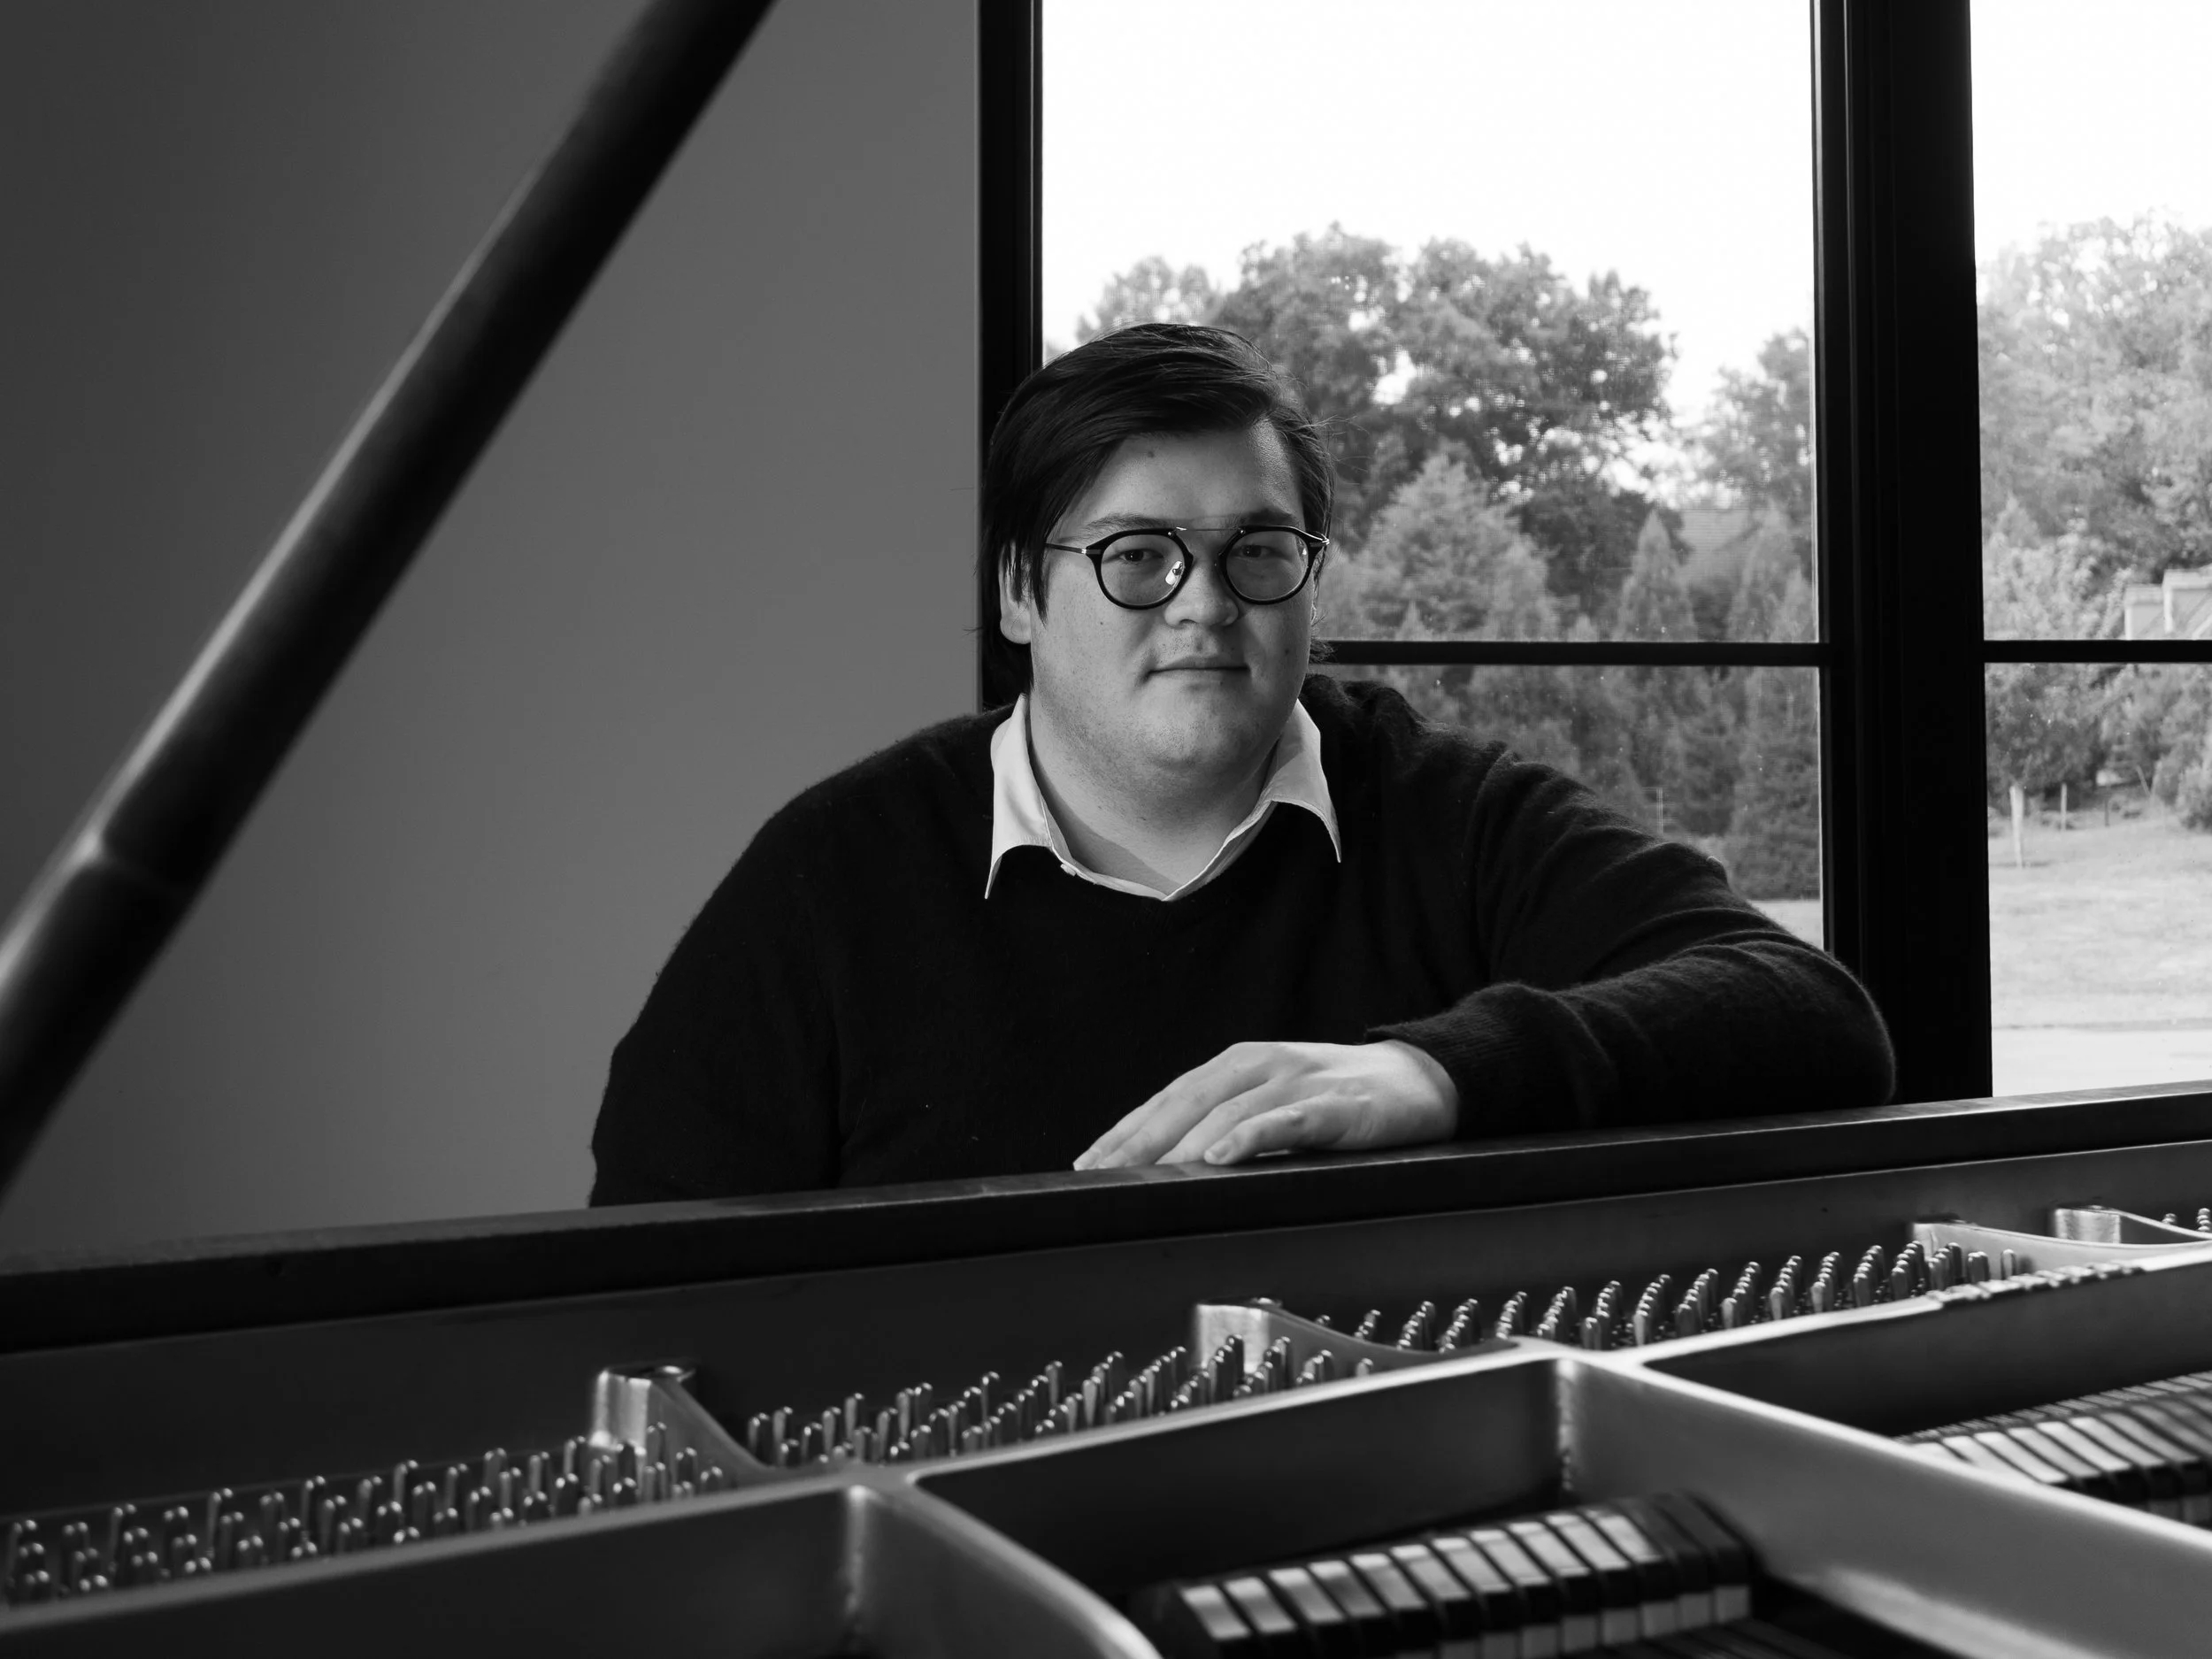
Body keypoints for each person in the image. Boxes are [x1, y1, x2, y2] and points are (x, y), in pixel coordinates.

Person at [588, 324, 1892, 1203]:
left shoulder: (1450, 812)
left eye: (1258, 552)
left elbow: (1813, 1012)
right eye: (1137, 554)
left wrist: (1433, 1070)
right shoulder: (833, 878)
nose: (1205, 601)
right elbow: (646, 1266)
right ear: (1017, 595)